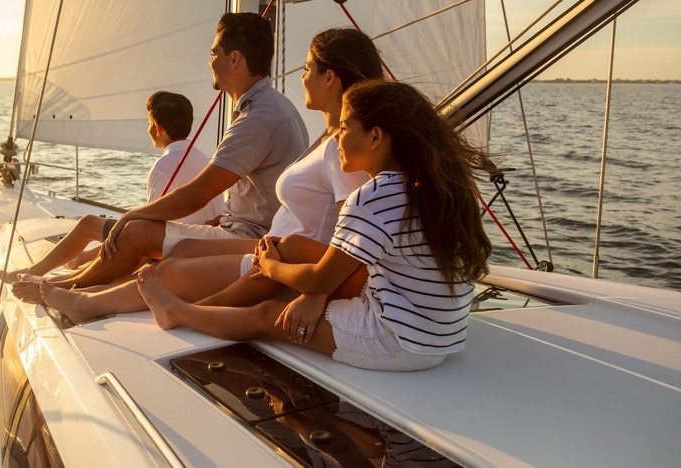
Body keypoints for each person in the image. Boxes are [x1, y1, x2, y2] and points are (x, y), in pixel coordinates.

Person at [139, 79, 493, 371]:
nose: (336, 138)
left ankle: (177, 312)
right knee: (296, 247)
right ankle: (210, 305)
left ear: (375, 137)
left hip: (399, 340)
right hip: (441, 334)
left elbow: (321, 279)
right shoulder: (431, 186)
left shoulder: (373, 197)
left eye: (344, 127)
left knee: (266, 315)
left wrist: (273, 267)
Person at [40, 28, 383, 323]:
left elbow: (350, 233)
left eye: (308, 67)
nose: (301, 76)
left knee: (167, 266)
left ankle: (85, 302)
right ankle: (93, 291)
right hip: (274, 246)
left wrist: (316, 291)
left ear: (329, 78)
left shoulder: (341, 148)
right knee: (183, 250)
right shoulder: (326, 138)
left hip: (287, 261)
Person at [22, 12, 308, 295]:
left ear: (234, 59)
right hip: (253, 232)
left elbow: (198, 193)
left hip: (250, 240)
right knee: (145, 232)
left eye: (214, 53)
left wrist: (130, 216)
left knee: (136, 231)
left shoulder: (257, 118)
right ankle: (65, 285)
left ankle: (65, 290)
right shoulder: (274, 107)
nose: (209, 62)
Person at [0, 90, 222, 282]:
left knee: (88, 223)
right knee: (118, 228)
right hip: (199, 242)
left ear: (157, 127)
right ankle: (81, 258)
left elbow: (145, 228)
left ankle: (35, 271)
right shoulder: (205, 159)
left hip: (170, 245)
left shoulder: (164, 165)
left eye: (148, 124)